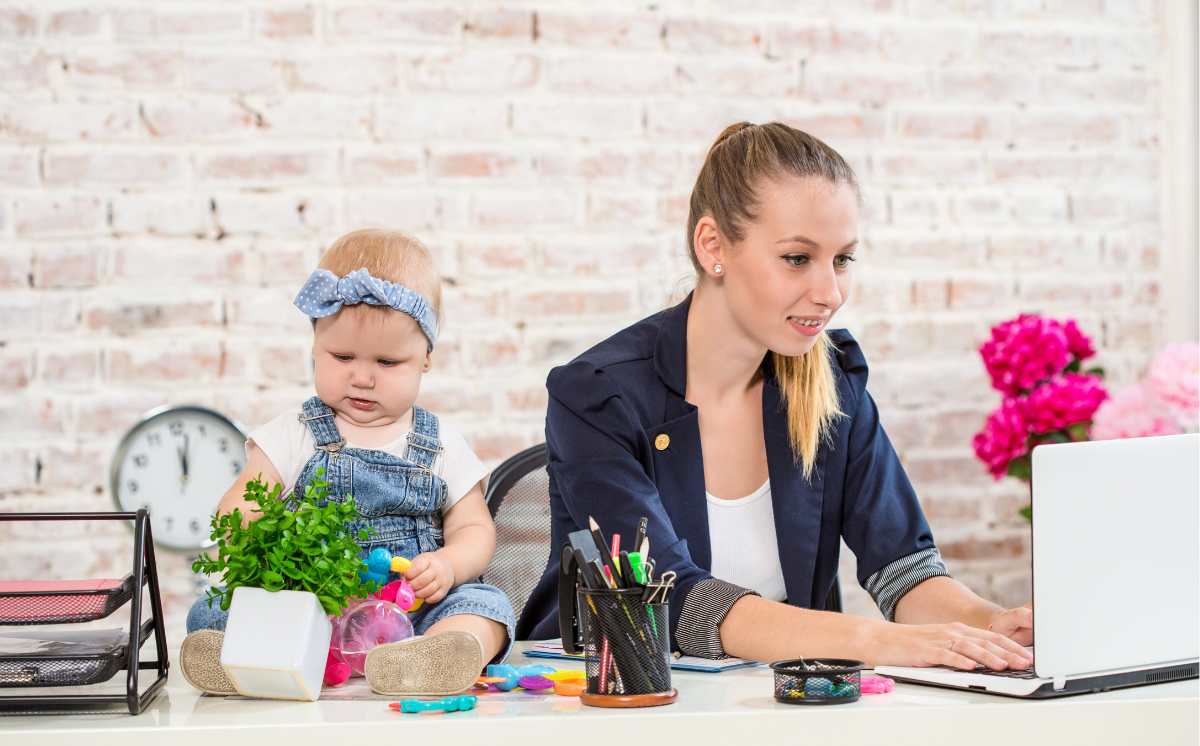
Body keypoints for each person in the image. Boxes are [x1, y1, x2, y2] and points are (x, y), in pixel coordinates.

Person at [519, 122, 1034, 671]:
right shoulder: (596, 396)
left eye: (842, 259)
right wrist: (876, 641)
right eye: (797, 258)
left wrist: (991, 625)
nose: (830, 293)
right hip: (610, 696)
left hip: (773, 702)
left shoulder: (831, 384)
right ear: (713, 246)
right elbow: (670, 600)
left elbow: (903, 566)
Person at [180, 229, 514, 697]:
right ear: (314, 345)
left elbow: (474, 528)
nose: (362, 377)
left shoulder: (442, 446)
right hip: (307, 613)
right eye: (342, 356)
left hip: (412, 614)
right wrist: (247, 529)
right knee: (212, 610)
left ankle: (430, 658)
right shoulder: (294, 433)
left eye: (387, 362)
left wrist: (448, 564)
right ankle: (252, 659)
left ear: (425, 358)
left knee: (487, 605)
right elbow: (240, 502)